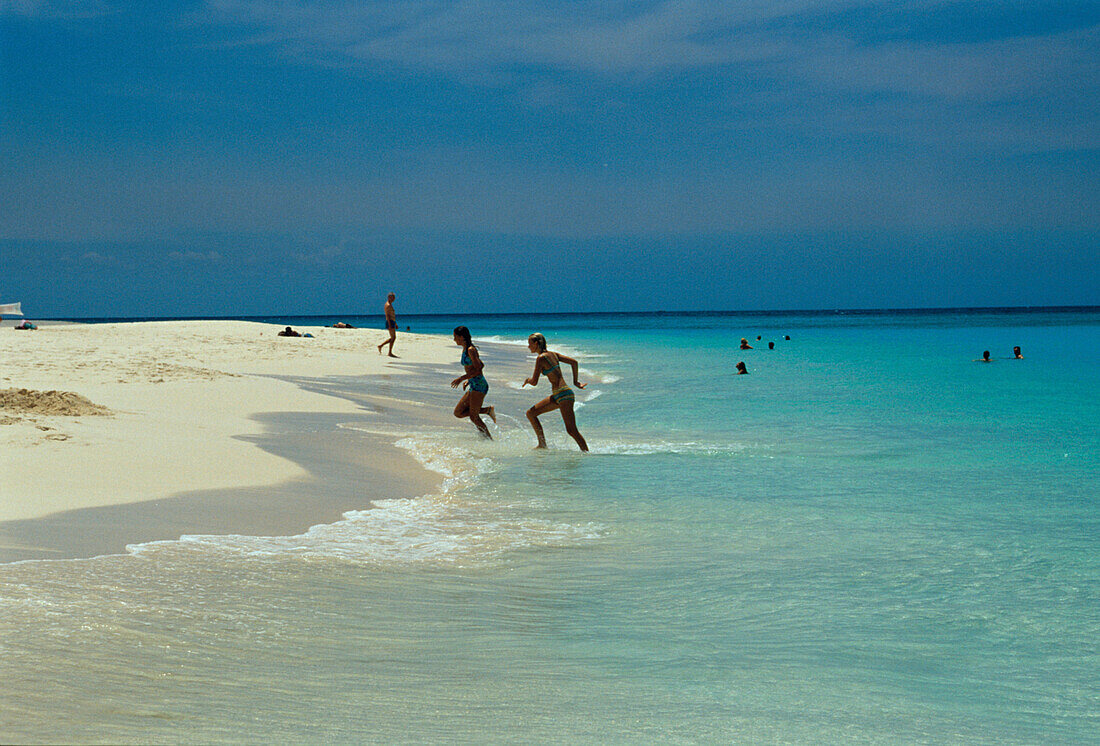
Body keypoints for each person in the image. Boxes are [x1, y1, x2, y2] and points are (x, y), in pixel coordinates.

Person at [523, 333, 588, 451]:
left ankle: (587, 454)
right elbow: (574, 362)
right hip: (560, 394)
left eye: (529, 344)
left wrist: (527, 380)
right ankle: (542, 445)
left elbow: (534, 382)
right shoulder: (554, 354)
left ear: (536, 343)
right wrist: (575, 382)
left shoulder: (541, 358)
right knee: (531, 413)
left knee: (572, 430)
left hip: (562, 394)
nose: (528, 346)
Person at [450, 326, 495, 439]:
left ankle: (489, 441)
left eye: (455, 337)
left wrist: (462, 378)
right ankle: (487, 410)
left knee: (474, 417)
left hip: (479, 386)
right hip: (474, 383)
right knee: (458, 412)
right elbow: (480, 365)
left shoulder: (471, 350)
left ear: (461, 337)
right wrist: (469, 380)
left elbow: (479, 369)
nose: (454, 339)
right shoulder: (466, 349)